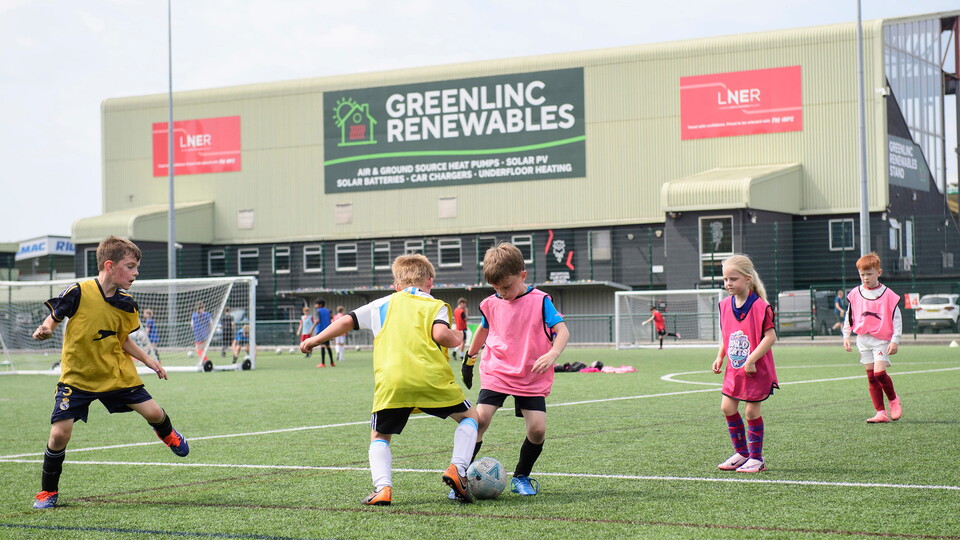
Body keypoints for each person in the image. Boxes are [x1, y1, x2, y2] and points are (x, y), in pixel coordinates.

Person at [300, 254, 479, 506]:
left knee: (380, 435)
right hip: (431, 379)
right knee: (470, 417)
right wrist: (458, 336)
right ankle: (457, 469)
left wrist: (315, 340)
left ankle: (383, 488)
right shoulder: (434, 304)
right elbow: (441, 334)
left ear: (396, 285)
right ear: (430, 281)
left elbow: (346, 321)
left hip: (393, 382)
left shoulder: (380, 305)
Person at [29, 236, 189, 510]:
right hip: (77, 378)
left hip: (115, 374)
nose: (136, 273)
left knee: (154, 413)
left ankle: (167, 434)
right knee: (59, 434)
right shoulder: (79, 291)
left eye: (137, 267)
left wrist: (148, 360)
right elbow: (55, 317)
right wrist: (45, 329)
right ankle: (47, 492)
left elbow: (122, 338)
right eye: (130, 266)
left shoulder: (127, 303)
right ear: (110, 265)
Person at [461, 242, 570, 497]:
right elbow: (484, 329)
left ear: (522, 275)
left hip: (531, 374)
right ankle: (461, 477)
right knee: (480, 420)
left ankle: (521, 476)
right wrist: (469, 358)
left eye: (506, 287)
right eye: (495, 288)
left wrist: (552, 354)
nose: (501, 292)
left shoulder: (540, 301)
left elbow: (562, 331)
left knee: (537, 429)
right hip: (497, 370)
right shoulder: (490, 303)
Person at [712, 254, 778, 474]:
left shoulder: (761, 307)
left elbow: (770, 337)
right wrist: (720, 356)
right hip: (734, 369)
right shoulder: (724, 305)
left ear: (748, 279)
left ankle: (756, 459)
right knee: (727, 407)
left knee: (751, 412)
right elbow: (727, 335)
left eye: (733, 279)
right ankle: (741, 453)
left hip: (755, 369)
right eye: (725, 279)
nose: (728, 284)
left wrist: (751, 359)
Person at [842, 253, 903, 423]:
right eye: (862, 274)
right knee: (871, 376)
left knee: (880, 373)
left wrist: (895, 340)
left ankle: (894, 400)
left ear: (879, 272)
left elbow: (896, 318)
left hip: (881, 340)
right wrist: (846, 335)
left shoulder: (888, 294)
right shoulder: (855, 293)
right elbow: (849, 315)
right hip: (863, 339)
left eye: (869, 274)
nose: (865, 278)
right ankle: (880, 413)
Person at [313, 299, 334, 367]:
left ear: (320, 304)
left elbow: (318, 320)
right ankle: (332, 362)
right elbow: (330, 320)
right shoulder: (328, 311)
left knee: (322, 346)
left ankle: (323, 363)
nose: (315, 305)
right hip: (327, 330)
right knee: (328, 346)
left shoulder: (318, 311)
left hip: (320, 330)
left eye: (316, 304)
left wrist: (312, 328)